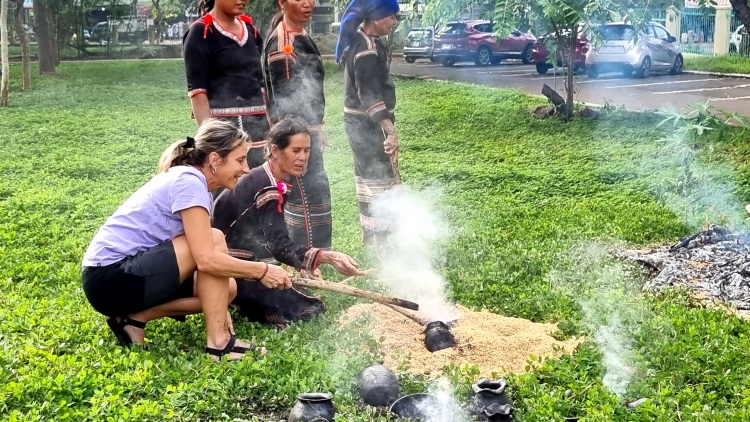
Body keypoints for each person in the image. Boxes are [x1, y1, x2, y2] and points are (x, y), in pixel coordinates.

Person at [81, 119, 292, 361]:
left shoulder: (192, 181)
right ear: (214, 160)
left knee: (228, 290)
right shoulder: (189, 183)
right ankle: (219, 345)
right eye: (240, 160)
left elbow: (213, 256)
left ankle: (134, 318)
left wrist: (221, 312)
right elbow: (205, 258)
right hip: (108, 281)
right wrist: (262, 271)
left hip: (122, 278)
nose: (246, 169)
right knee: (211, 243)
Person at [212, 118, 365, 326]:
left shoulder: (268, 177)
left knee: (300, 297)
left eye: (307, 150)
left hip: (245, 257)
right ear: (275, 151)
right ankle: (235, 297)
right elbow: (279, 246)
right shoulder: (268, 187)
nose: (303, 157)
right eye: (296, 150)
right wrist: (329, 257)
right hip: (230, 263)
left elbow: (269, 237)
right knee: (308, 309)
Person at [263, 0, 332, 252]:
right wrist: (298, 143)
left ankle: (319, 254)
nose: (307, 3)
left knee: (315, 193)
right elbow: (285, 102)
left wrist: (317, 127)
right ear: (282, 2)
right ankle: (308, 259)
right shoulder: (282, 45)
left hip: (307, 131)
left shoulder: (302, 36)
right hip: (294, 136)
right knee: (305, 196)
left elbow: (311, 93)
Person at [335, 0, 401, 252]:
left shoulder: (367, 42)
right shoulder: (366, 49)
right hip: (366, 124)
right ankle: (380, 241)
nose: (394, 22)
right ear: (376, 17)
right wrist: (390, 130)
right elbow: (369, 95)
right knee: (379, 178)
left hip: (359, 123)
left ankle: (368, 232)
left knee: (366, 178)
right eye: (391, 17)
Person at [183, 0, 270, 170]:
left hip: (259, 133)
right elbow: (198, 91)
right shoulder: (201, 32)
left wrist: (270, 128)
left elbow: (260, 82)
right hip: (224, 132)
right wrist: (212, 140)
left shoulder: (251, 31)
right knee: (228, 190)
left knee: (260, 187)